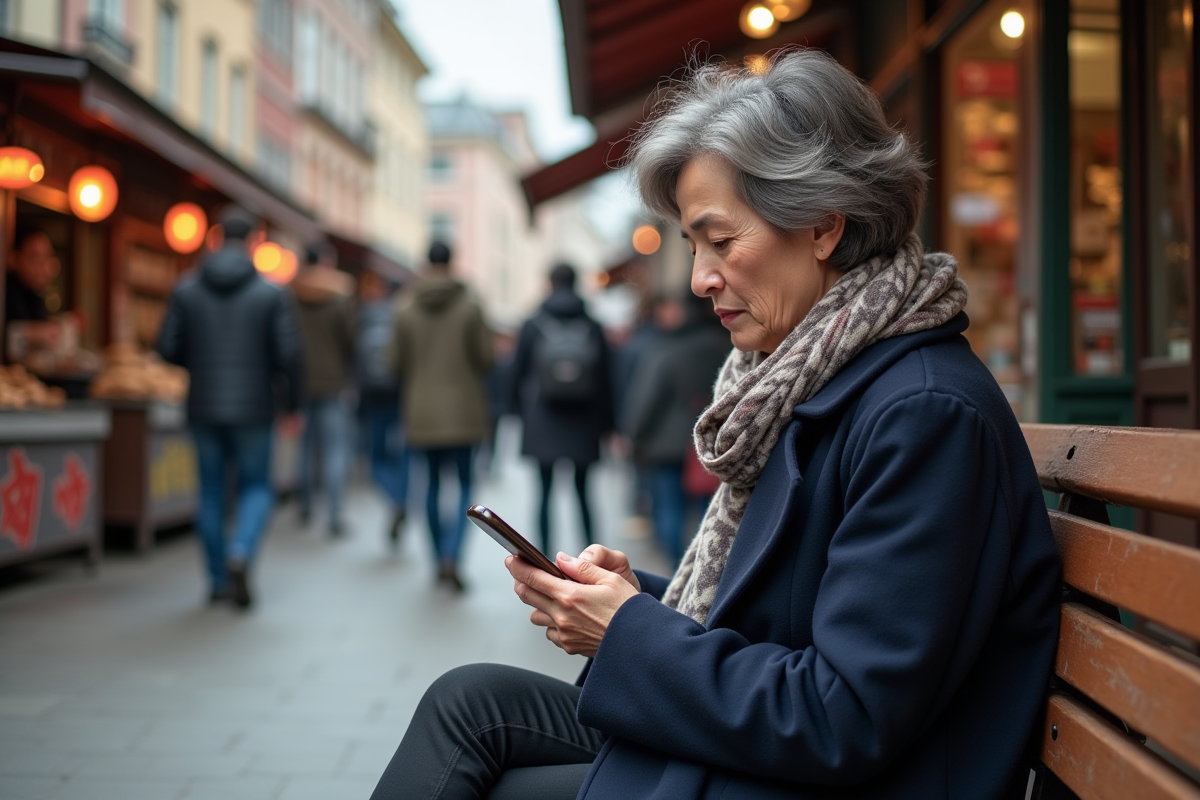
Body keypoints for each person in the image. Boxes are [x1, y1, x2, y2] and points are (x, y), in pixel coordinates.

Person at [370, 49, 1061, 800]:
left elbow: (846, 719)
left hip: (838, 775)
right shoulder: (824, 379)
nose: (701, 278)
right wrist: (638, 600)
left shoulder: (924, 414)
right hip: (773, 750)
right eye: (692, 246)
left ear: (824, 227)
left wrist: (628, 629)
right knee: (468, 703)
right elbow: (794, 619)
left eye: (722, 241)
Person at [157, 207, 303, 610]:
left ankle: (218, 578)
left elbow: (167, 347)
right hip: (255, 407)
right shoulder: (272, 293)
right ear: (254, 242)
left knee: (210, 491)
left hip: (203, 404)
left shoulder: (186, 288)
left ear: (216, 237)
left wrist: (201, 362)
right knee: (257, 486)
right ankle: (241, 550)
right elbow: (288, 355)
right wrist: (292, 404)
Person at [390, 241, 493, 592]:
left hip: (422, 413)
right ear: (452, 261)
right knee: (464, 488)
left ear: (425, 263)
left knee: (430, 486)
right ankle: (453, 556)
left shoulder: (405, 308)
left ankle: (437, 558)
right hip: (464, 412)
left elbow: (394, 363)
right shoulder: (470, 305)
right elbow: (486, 357)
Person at [507, 263, 614, 556]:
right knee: (584, 493)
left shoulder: (533, 324)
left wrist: (518, 413)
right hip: (584, 420)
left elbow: (515, 374)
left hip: (542, 418)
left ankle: (542, 558)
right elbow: (607, 379)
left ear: (550, 283)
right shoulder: (592, 325)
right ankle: (592, 557)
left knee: (543, 494)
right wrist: (607, 426)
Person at [624, 290, 730, 565]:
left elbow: (647, 400)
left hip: (668, 446)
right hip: (713, 442)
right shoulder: (727, 346)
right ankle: (709, 568)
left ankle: (676, 572)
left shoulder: (667, 349)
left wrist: (635, 436)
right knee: (712, 513)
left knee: (670, 511)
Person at [292, 244, 356, 537]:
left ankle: (304, 505)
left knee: (304, 448)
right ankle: (333, 515)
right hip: (333, 382)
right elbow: (349, 341)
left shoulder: (289, 296)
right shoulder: (339, 297)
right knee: (334, 449)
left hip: (300, 382)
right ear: (327, 262)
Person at [357, 269, 409, 543]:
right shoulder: (406, 318)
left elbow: (355, 356)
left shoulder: (366, 316)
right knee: (403, 455)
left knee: (376, 457)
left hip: (373, 398)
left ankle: (393, 498)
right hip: (402, 397)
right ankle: (401, 496)